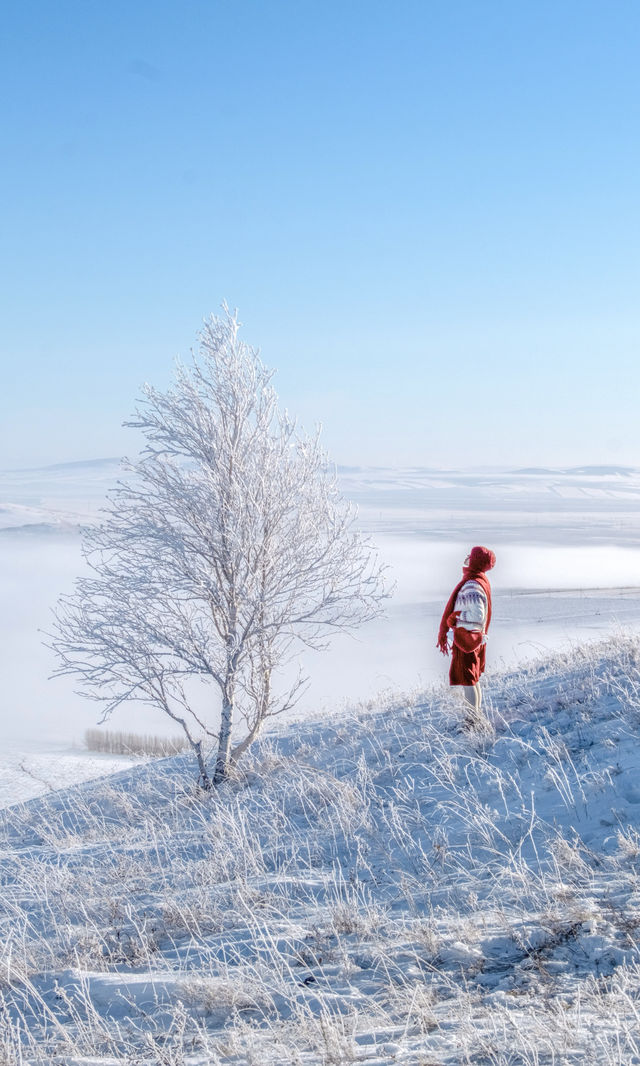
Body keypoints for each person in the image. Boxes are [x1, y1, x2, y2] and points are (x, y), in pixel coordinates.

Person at [437, 545, 496, 726]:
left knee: (469, 680)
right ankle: (475, 716)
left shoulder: (472, 585)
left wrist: (455, 619)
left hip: (467, 639)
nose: (467, 558)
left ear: (475, 561)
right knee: (473, 679)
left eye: (471, 556)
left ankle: (472, 720)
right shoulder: (479, 580)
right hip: (474, 639)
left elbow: (477, 615)